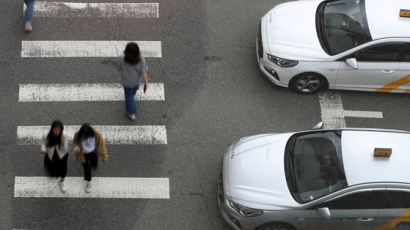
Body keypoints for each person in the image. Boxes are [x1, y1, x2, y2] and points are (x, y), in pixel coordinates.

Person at [117, 42, 149, 121]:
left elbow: (118, 68)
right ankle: (133, 94)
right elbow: (143, 72)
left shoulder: (122, 58)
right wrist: (146, 82)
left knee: (129, 97)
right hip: (136, 81)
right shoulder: (141, 59)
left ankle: (131, 113)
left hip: (127, 82)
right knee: (134, 90)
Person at [73, 123, 108, 193]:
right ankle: (89, 181)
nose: (85, 137)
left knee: (94, 165)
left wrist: (104, 156)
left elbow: (101, 145)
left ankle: (90, 171)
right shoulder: (78, 134)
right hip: (83, 154)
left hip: (93, 153)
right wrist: (75, 147)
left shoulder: (97, 134)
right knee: (87, 169)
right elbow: (75, 142)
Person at [40, 120, 69, 193]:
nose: (57, 131)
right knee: (51, 168)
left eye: (59, 130)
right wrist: (43, 149)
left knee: (63, 169)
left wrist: (62, 143)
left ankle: (62, 182)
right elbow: (43, 143)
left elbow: (65, 149)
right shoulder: (46, 134)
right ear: (52, 128)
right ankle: (54, 175)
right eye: (55, 129)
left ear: (61, 129)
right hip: (51, 154)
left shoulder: (64, 135)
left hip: (62, 155)